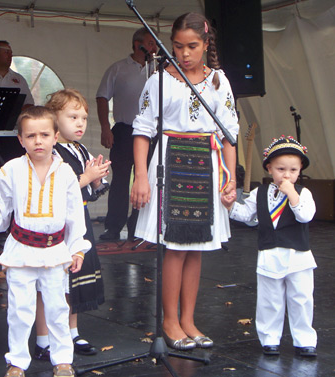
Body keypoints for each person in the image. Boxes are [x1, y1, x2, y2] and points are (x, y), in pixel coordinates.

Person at [130, 13, 239, 350]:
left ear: (206, 44)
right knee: (175, 248)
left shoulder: (219, 81)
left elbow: (229, 135)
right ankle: (169, 320)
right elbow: (142, 130)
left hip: (207, 166)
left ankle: (189, 319)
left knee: (197, 250)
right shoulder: (160, 80)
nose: (185, 53)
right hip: (170, 162)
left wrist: (232, 178)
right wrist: (141, 177)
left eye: (192, 46)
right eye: (178, 46)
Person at [0, 106, 91, 377]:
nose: (38, 141)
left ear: (56, 137)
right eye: (31, 135)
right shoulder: (11, 170)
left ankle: (62, 360)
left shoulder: (67, 173)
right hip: (21, 251)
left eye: (44, 134)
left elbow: (74, 214)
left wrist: (77, 248)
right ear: (20, 140)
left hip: (55, 252)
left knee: (58, 308)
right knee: (20, 311)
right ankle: (17, 362)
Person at [222, 136, 318, 357]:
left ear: (300, 170)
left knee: (301, 300)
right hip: (269, 255)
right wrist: (230, 206)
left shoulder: (303, 194)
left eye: (293, 170)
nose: (286, 174)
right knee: (269, 300)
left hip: (298, 257)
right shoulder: (260, 193)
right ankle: (269, 338)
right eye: (281, 169)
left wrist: (291, 193)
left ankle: (304, 340)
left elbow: (305, 216)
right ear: (269, 168)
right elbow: (247, 216)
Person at [32, 89, 110, 360]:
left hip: (80, 221)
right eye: (73, 116)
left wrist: (96, 180)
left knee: (73, 281)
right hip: (58, 226)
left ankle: (71, 331)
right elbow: (55, 191)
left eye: (84, 118)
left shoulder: (79, 148)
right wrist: (86, 178)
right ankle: (43, 339)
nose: (80, 123)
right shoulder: (52, 152)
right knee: (52, 282)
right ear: (54, 119)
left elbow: (87, 190)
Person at [96, 27, 157, 241]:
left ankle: (139, 228)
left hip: (152, 134)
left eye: (155, 43)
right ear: (137, 44)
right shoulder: (118, 68)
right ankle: (114, 227)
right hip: (124, 130)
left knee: (148, 179)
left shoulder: (159, 71)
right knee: (121, 180)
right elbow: (102, 97)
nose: (154, 47)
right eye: (150, 43)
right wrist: (105, 127)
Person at [0, 40, 34, 110]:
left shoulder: (19, 79)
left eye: (11, 53)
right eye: (6, 52)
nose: (10, 56)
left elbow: (29, 104)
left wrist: (15, 112)